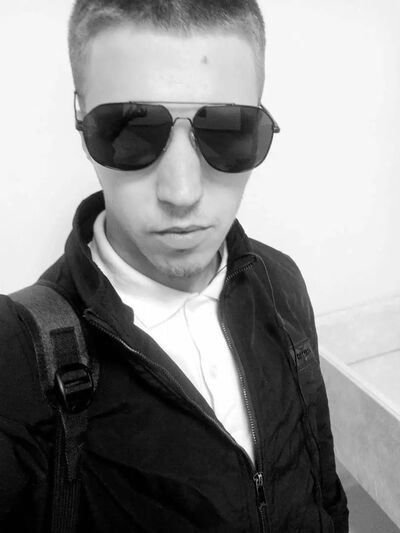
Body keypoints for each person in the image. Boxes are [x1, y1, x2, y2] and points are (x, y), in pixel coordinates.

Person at [0, 0, 349, 531]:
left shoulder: (280, 280)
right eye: (128, 130)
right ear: (80, 122)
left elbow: (323, 486)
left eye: (228, 130)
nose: (182, 193)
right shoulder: (16, 359)